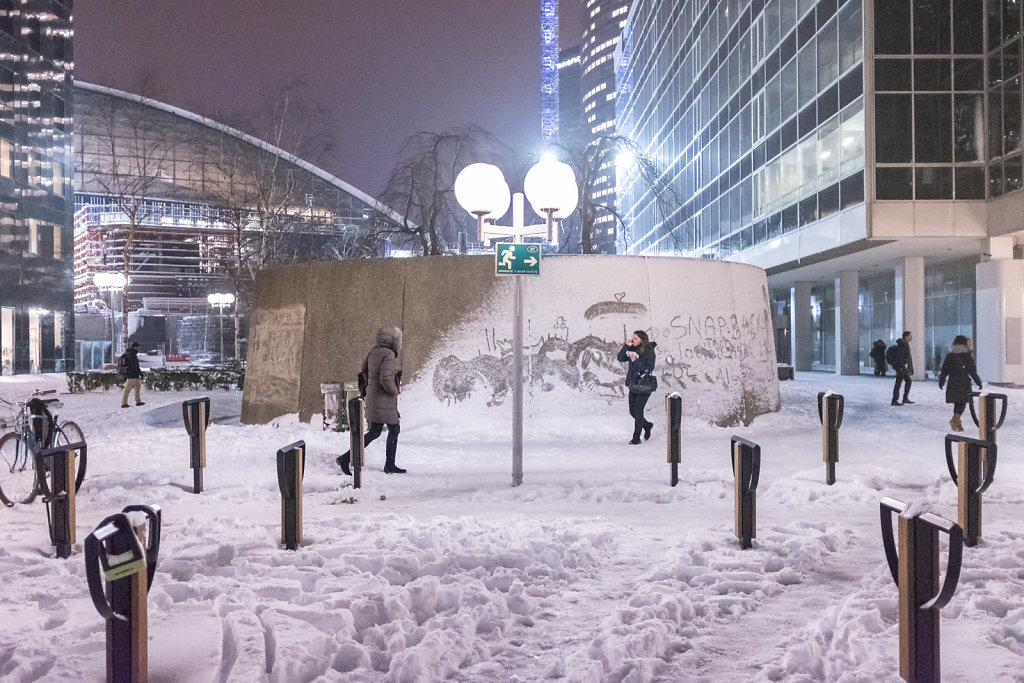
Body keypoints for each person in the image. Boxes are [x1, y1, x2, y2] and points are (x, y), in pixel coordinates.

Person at [337, 326, 405, 475]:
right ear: (393, 340)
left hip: (373, 398)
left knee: (375, 431)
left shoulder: (373, 352)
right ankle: (389, 465)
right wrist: (394, 390)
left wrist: (370, 389)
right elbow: (385, 379)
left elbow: (363, 373)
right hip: (384, 400)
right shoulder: (389, 355)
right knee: (394, 429)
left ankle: (345, 458)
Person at [617, 330, 657, 445]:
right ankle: (647, 425)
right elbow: (620, 358)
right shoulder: (632, 349)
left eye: (636, 338)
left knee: (638, 411)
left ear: (642, 340)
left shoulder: (649, 351)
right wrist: (626, 346)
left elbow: (649, 368)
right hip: (633, 384)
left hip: (644, 384)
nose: (633, 340)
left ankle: (636, 438)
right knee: (632, 411)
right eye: (633, 338)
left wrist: (636, 360)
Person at [938, 335, 982, 431]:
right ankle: (955, 420)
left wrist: (941, 382)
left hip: (952, 382)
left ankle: (957, 423)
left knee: (957, 402)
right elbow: (972, 372)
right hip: (964, 382)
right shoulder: (967, 356)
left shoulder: (950, 356)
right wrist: (978, 382)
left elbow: (944, 370)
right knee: (962, 402)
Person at [890, 331, 914, 406]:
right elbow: (899, 356)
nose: (911, 337)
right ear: (906, 337)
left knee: (907, 381)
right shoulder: (903, 344)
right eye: (910, 336)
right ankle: (895, 400)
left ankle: (904, 398)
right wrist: (901, 365)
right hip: (901, 367)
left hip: (902, 367)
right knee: (899, 383)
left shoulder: (904, 343)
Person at [120, 342, 146, 408]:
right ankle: (124, 403)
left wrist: (139, 373)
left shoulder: (131, 354)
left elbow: (136, 366)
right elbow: (135, 366)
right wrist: (140, 373)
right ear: (135, 348)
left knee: (138, 387)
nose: (139, 349)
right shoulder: (132, 355)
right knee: (127, 389)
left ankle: (138, 401)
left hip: (134, 375)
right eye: (138, 348)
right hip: (131, 375)